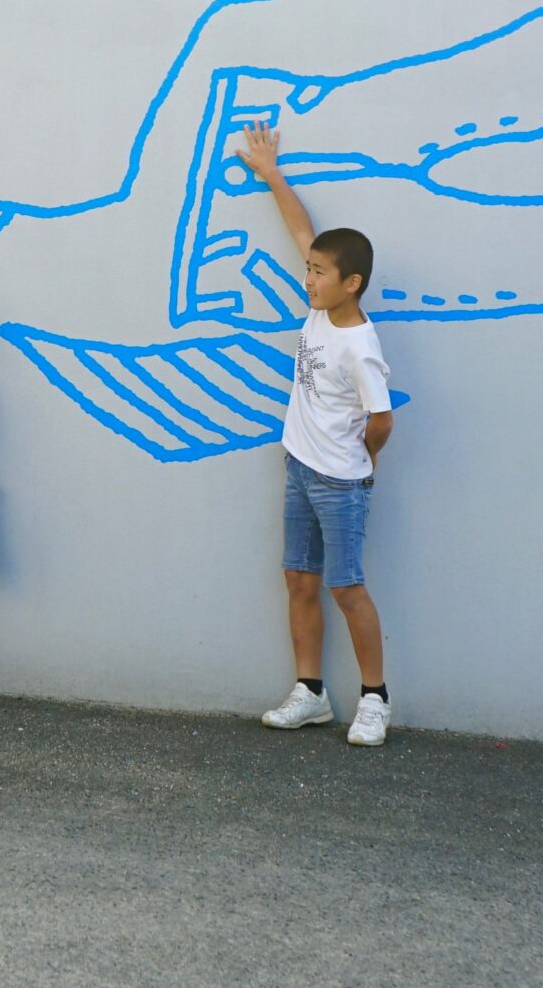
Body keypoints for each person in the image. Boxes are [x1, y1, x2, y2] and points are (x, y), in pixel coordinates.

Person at [237, 123, 396, 746]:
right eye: (308, 271)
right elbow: (302, 229)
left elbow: (382, 420)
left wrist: (363, 459)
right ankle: (311, 693)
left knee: (346, 586)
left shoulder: (360, 345)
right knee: (298, 578)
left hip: (340, 481)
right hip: (299, 468)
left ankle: (375, 700)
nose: (308, 279)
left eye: (319, 273)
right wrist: (271, 172)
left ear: (351, 282)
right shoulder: (319, 309)